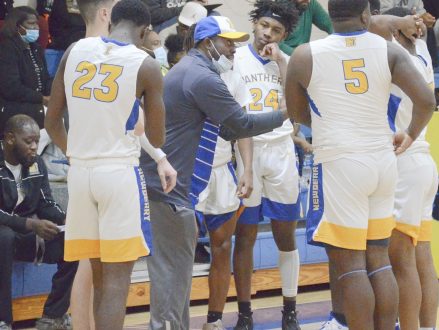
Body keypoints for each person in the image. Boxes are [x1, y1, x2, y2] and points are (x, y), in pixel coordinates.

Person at [286, 0, 436, 328]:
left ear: (329, 14)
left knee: (351, 267)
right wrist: (410, 134)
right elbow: (427, 101)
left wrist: (329, 123)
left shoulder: (304, 55)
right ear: (367, 15)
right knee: (380, 260)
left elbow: (296, 113)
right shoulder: (389, 51)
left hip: (340, 162)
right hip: (383, 161)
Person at [138, 14, 287, 330]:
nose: (234, 49)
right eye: (228, 42)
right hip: (169, 186)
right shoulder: (201, 77)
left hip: (177, 181)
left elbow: (230, 131)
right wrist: (289, 113)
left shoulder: (193, 70)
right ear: (208, 43)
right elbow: (241, 125)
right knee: (171, 272)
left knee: (176, 270)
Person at [44, 0, 166, 329]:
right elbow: (156, 137)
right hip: (118, 175)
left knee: (99, 279)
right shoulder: (146, 64)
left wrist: (77, 153)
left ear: (111, 22)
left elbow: (53, 122)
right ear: (144, 32)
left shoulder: (74, 50)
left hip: (80, 174)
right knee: (116, 285)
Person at [225, 2, 302, 329]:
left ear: (285, 35)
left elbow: (296, 114)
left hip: (282, 151)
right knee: (245, 236)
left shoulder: (289, 61)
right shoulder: (235, 58)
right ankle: (245, 313)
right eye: (265, 26)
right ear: (255, 23)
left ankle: (290, 309)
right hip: (248, 152)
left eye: (276, 30)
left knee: (286, 235)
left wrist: (282, 61)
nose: (267, 34)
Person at [373, 7, 439, 330]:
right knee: (421, 258)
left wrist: (403, 22)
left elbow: (373, 24)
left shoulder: (395, 54)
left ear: (397, 33)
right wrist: (413, 23)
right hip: (423, 161)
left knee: (401, 262)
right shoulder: (422, 53)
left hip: (404, 157)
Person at [0, 115, 78, 330]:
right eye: (29, 142)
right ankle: (3, 320)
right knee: (3, 236)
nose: (35, 147)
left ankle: (53, 316)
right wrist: (31, 225)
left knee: (72, 241)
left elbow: (45, 203)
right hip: (5, 236)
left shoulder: (36, 164)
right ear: (9, 138)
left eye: (36, 141)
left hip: (25, 235)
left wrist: (65, 219)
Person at [0, 6, 50, 135]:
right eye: (31, 24)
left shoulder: (36, 48)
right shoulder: (7, 49)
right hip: (13, 105)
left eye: (37, 24)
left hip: (36, 103)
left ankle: (54, 153)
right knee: (53, 116)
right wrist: (42, 99)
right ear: (17, 26)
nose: (37, 28)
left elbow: (46, 79)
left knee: (63, 110)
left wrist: (53, 95)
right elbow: (11, 88)